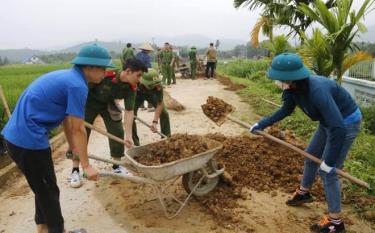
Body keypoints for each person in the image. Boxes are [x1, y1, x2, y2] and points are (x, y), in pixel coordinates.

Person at [1, 44, 114, 233]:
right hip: (28, 140)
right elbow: (79, 128)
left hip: (16, 138)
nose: (105, 73)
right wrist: (85, 166)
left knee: (43, 189)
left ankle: (43, 230)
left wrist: (73, 147)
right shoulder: (77, 85)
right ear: (89, 67)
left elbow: (67, 121)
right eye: (102, 68)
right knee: (49, 191)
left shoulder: (67, 78)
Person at [249, 53, 361, 233]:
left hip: (345, 123)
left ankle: (336, 222)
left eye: (279, 78)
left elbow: (338, 128)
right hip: (328, 122)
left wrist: (329, 162)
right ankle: (304, 193)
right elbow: (286, 110)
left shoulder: (318, 91)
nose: (277, 81)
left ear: (290, 78)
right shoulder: (292, 89)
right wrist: (261, 124)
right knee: (310, 157)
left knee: (328, 173)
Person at [68, 58, 147, 188]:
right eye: (138, 75)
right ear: (128, 71)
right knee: (80, 132)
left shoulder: (131, 87)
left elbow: (129, 111)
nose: (139, 79)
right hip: (89, 103)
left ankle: (117, 165)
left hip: (108, 104)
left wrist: (128, 136)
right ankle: (75, 169)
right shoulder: (107, 74)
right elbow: (83, 85)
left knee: (117, 130)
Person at [132, 69, 171, 146]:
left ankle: (166, 138)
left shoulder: (158, 86)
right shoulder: (135, 82)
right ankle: (135, 143)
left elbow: (159, 103)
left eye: (157, 84)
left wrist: (155, 122)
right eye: (152, 85)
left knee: (164, 113)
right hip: (136, 95)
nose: (156, 87)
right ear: (144, 82)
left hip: (151, 95)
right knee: (131, 117)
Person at [135, 43, 154, 111]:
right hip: (145, 74)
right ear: (147, 50)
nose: (149, 51)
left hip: (137, 74)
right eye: (149, 50)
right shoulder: (147, 56)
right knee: (149, 89)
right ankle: (150, 106)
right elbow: (148, 66)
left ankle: (141, 106)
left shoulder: (137, 55)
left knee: (140, 89)